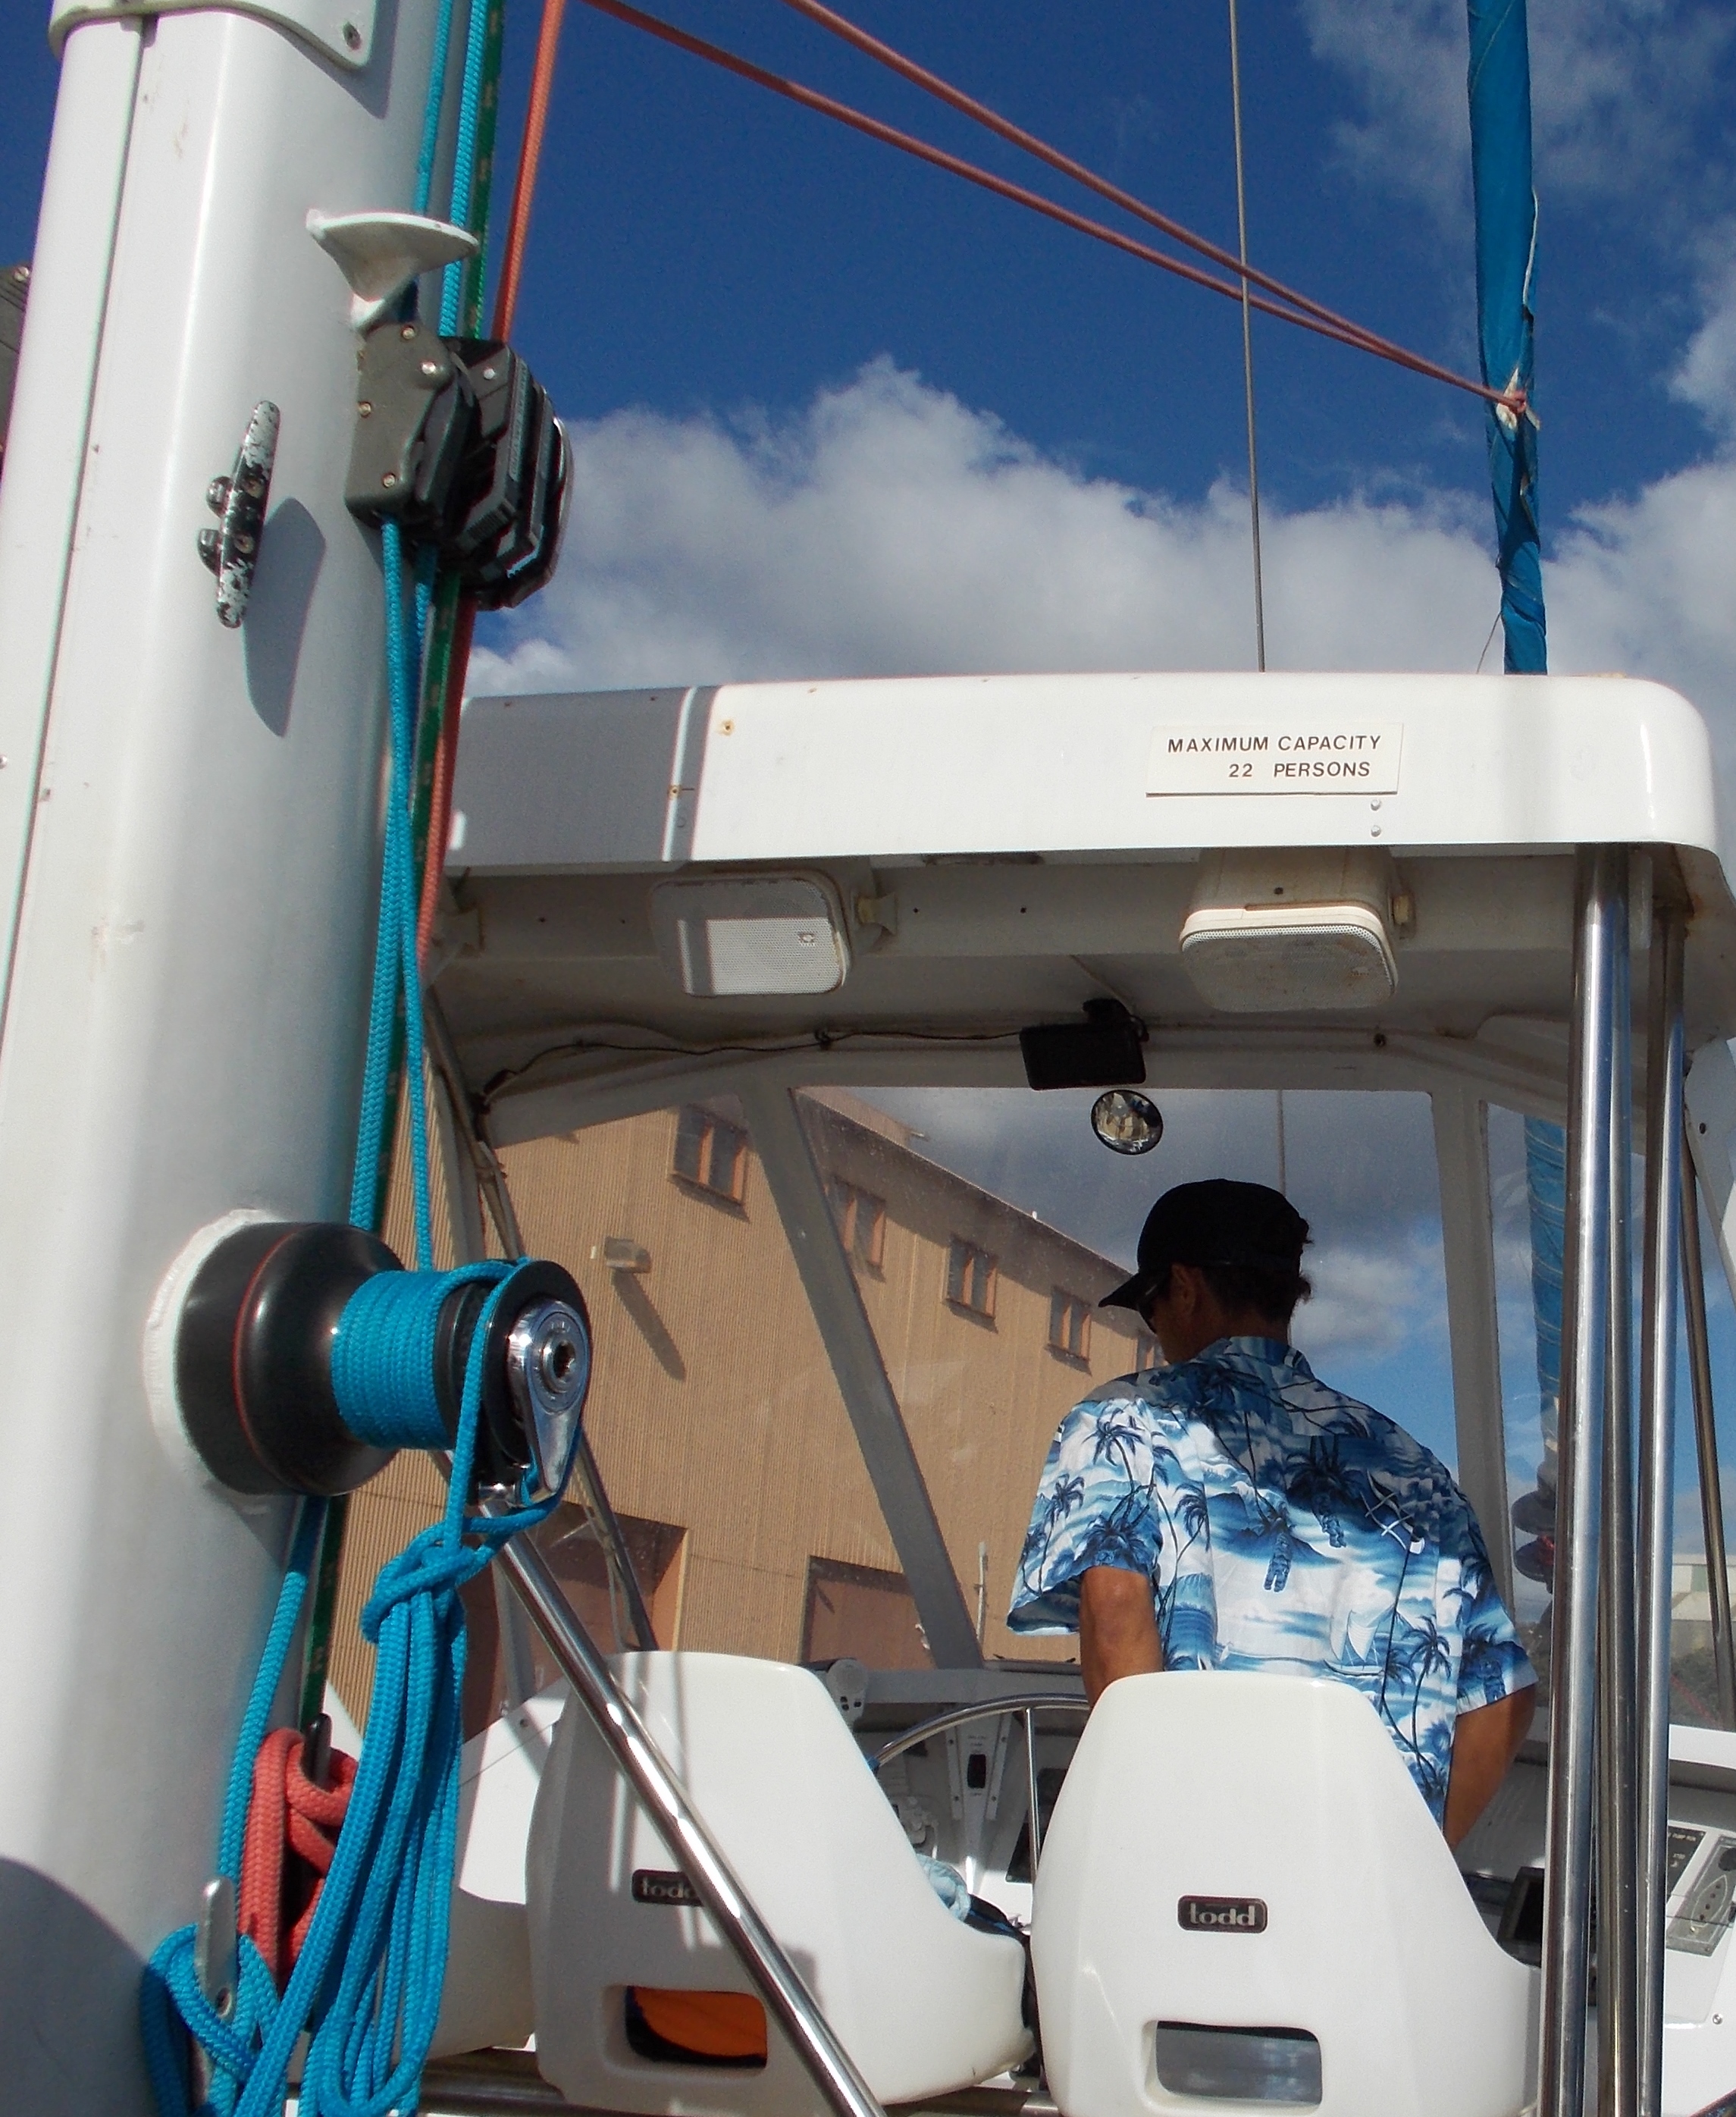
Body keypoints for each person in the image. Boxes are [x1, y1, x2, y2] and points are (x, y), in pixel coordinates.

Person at [1007, 1178, 1536, 1847]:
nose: (1156, 1329)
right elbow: (1506, 1696)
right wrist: (1414, 1866)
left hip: (1194, 1886)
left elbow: (1114, 1611)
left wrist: (1153, 1859)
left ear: (1185, 1286)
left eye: (1149, 1306)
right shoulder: (1414, 1468)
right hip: (1364, 1914)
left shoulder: (1126, 1425)